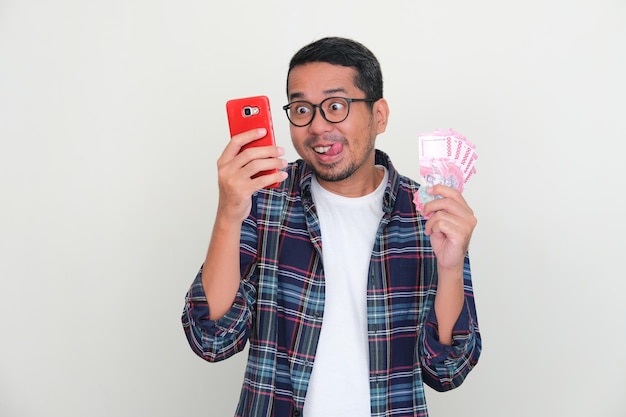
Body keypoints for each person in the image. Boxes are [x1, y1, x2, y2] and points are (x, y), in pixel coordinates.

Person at [181, 36, 481, 417]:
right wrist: (228, 212)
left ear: (379, 115)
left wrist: (451, 268)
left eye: (336, 106)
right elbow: (212, 339)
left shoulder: (427, 213)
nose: (318, 126)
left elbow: (446, 370)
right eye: (302, 109)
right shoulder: (264, 198)